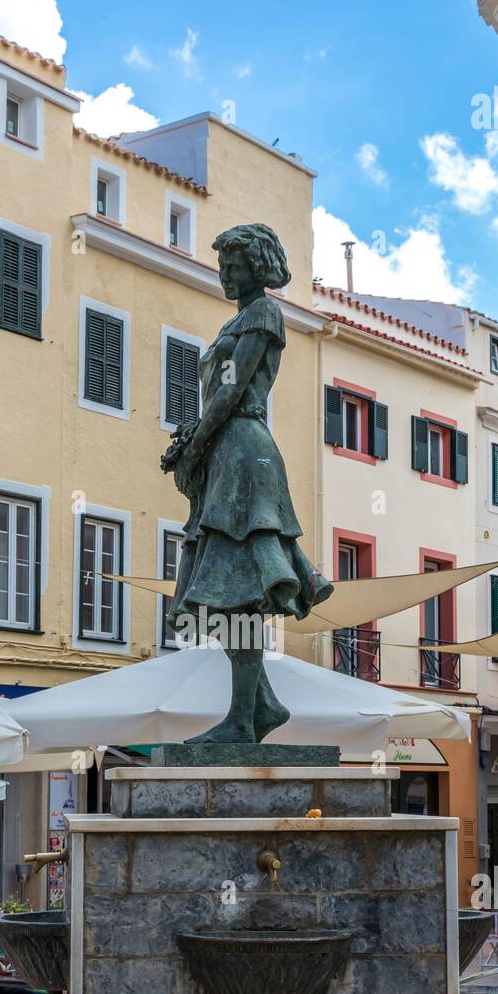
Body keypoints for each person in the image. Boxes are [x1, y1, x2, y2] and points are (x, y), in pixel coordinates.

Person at [160, 222, 333, 744]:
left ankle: (244, 716)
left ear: (256, 268)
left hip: (243, 454)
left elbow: (229, 391)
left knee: (240, 595)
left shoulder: (263, 314)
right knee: (226, 593)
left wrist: (195, 445)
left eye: (233, 266)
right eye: (222, 266)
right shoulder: (239, 320)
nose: (225, 274)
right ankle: (259, 704)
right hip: (227, 457)